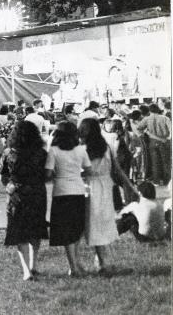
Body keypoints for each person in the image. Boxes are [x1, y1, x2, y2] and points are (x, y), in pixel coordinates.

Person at [79, 118, 138, 272]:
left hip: (90, 187)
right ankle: (101, 261)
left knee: (93, 225)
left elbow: (84, 171)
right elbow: (118, 170)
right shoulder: (105, 147)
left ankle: (101, 262)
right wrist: (131, 188)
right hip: (106, 187)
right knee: (104, 223)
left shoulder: (82, 149)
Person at [1, 121, 48, 281]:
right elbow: (46, 175)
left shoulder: (9, 153)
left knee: (19, 232)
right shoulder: (41, 153)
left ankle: (26, 270)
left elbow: (2, 175)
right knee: (36, 229)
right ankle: (34, 265)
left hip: (16, 194)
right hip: (37, 193)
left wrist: (9, 186)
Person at [45, 121, 92, 277]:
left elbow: (48, 174)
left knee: (65, 230)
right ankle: (76, 262)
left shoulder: (53, 150)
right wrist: (76, 175)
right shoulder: (80, 150)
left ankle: (73, 265)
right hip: (78, 190)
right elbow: (89, 170)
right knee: (77, 228)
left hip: (60, 192)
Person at [136, 103, 171, 185]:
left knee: (155, 162)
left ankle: (156, 181)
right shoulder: (165, 118)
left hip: (152, 142)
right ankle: (167, 181)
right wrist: (168, 138)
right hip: (164, 141)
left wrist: (146, 132)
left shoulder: (146, 119)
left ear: (150, 110)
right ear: (158, 109)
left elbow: (139, 128)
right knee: (166, 162)